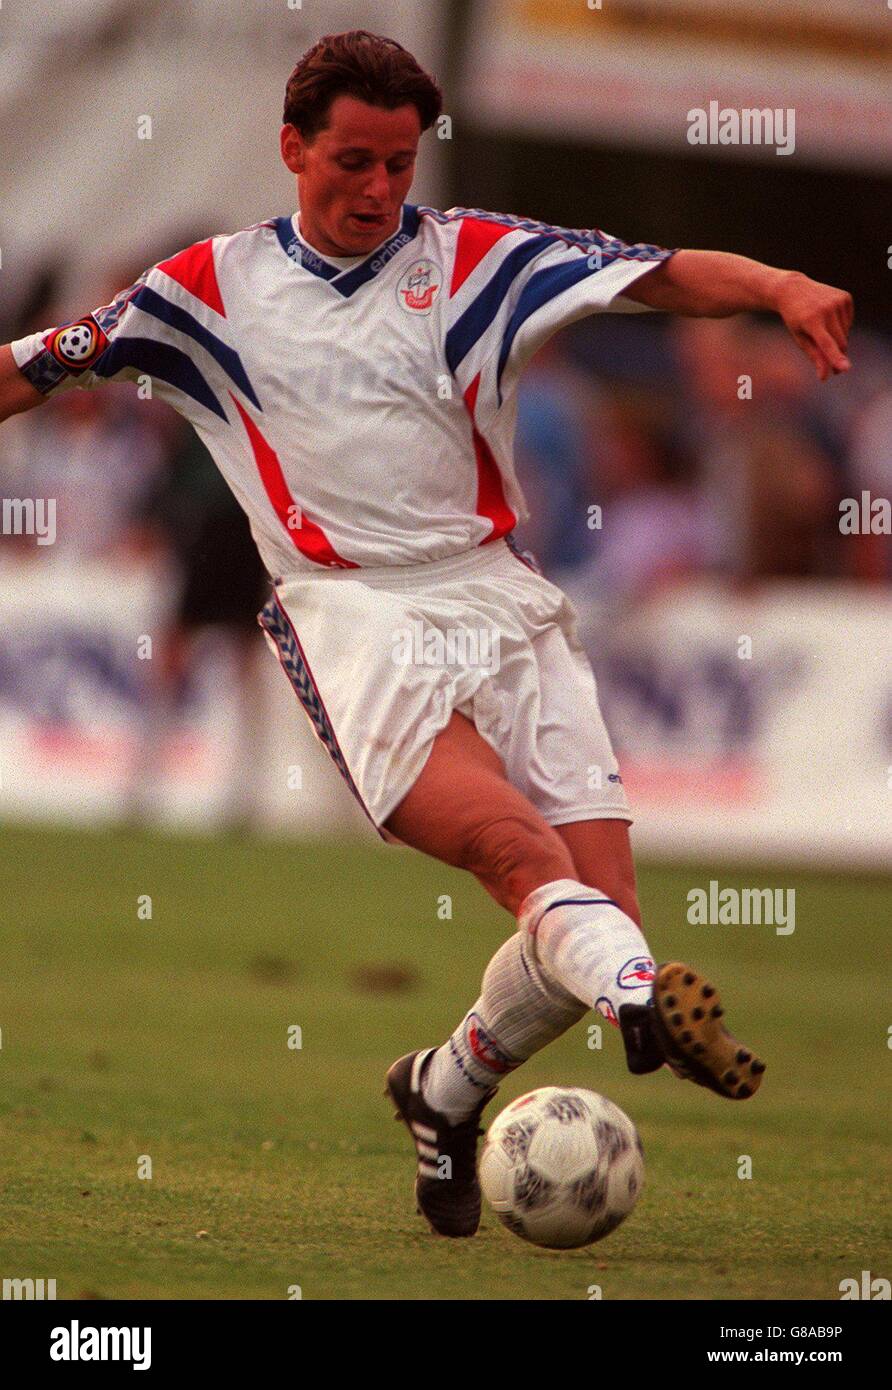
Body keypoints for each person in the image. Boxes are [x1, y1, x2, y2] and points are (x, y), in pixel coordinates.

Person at [0, 30, 853, 1239]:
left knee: (594, 915)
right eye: (352, 159)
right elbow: (35, 367)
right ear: (291, 146)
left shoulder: (474, 261)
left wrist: (773, 287)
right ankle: (640, 999)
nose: (376, 190)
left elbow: (652, 274)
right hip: (352, 614)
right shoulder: (202, 293)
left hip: (502, 601)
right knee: (525, 864)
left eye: (399, 164)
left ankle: (444, 1088)